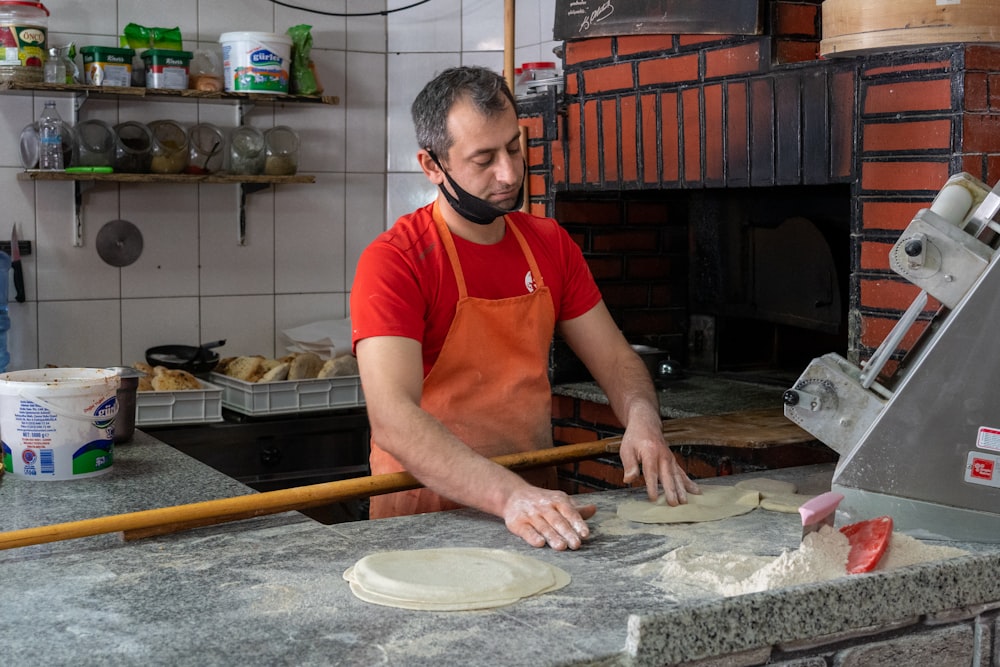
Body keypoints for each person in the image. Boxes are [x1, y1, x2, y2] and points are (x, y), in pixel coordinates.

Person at [351, 66, 699, 551]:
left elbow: (618, 360)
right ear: (432, 166)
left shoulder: (549, 244)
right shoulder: (395, 261)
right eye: (484, 159)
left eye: (514, 147)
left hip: (537, 511)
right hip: (425, 518)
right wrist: (510, 495)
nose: (510, 174)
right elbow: (393, 417)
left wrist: (643, 419)